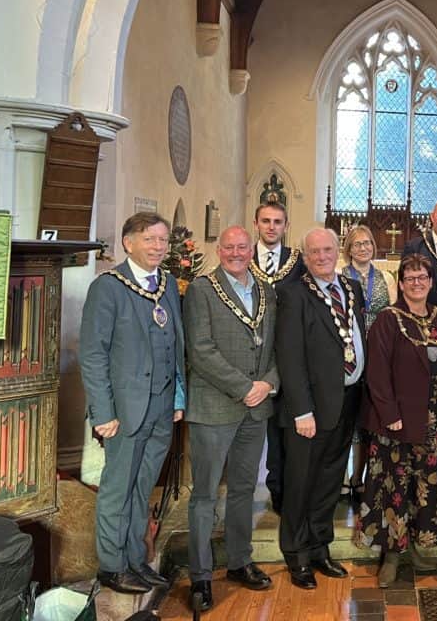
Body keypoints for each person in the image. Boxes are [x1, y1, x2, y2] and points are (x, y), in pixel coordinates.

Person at [79, 212, 186, 595]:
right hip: (123, 413)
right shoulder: (108, 287)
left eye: (162, 240)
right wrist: (103, 414)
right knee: (117, 489)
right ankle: (111, 566)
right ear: (128, 243)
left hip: (160, 409)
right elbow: (92, 355)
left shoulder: (168, 284)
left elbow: (177, 345)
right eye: (149, 239)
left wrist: (178, 396)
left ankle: (135, 560)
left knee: (143, 488)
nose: (158, 247)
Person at [182, 226, 277, 611]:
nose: (237, 253)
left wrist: (268, 383)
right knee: (205, 495)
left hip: (257, 408)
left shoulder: (267, 291)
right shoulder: (202, 291)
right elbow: (200, 351)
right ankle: (201, 576)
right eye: (229, 247)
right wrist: (244, 386)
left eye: (243, 247)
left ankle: (240, 561)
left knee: (242, 490)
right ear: (219, 251)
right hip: (215, 407)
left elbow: (276, 347)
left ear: (251, 250)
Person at [353, 254, 437, 587]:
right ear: (400, 283)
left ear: (431, 282)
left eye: (423, 277)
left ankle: (415, 546)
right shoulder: (389, 318)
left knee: (426, 486)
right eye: (410, 278)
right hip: (397, 422)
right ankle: (391, 555)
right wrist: (390, 415)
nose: (417, 283)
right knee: (394, 488)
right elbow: (377, 371)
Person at [275, 227, 367, 589]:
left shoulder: (351, 288)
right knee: (300, 482)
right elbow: (290, 356)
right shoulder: (293, 294)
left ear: (337, 251)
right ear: (305, 256)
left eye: (328, 249)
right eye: (314, 252)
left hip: (347, 399)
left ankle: (319, 547)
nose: (322, 256)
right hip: (309, 409)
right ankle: (296, 555)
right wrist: (301, 411)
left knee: (330, 480)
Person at [251, 200, 306, 516]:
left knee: (283, 430)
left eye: (277, 222)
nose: (271, 227)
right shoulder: (243, 258)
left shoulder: (296, 262)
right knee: (257, 430)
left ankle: (282, 492)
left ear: (286, 226)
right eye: (266, 221)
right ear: (256, 223)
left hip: (288, 355)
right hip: (253, 356)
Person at [340, 224, 395, 502]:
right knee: (345, 417)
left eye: (367, 243)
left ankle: (359, 477)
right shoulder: (339, 276)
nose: (363, 248)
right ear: (348, 248)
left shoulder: (386, 277)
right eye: (357, 244)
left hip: (379, 349)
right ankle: (342, 477)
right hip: (348, 350)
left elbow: (393, 313)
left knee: (367, 417)